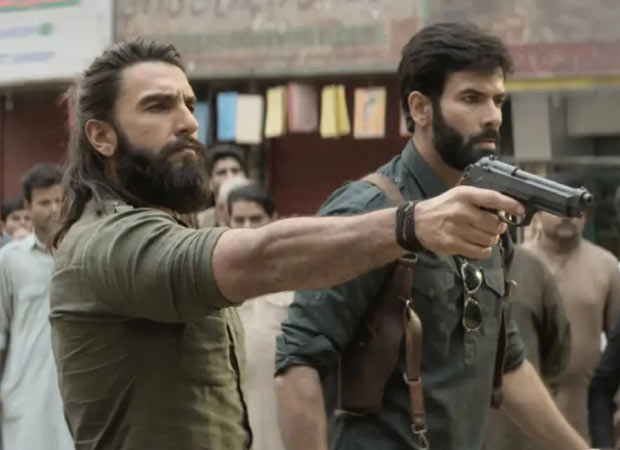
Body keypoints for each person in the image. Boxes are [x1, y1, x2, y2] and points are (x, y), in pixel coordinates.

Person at [50, 37, 527, 450]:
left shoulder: (167, 227)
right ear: (102, 136)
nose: (188, 123)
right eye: (158, 106)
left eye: (189, 105)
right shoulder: (103, 242)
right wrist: (411, 223)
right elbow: (258, 259)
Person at [274, 22, 588, 450]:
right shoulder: (370, 211)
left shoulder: (488, 217)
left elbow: (508, 363)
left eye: (498, 100)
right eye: (471, 98)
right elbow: (298, 363)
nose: (493, 116)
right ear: (421, 108)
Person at [524, 175, 620, 444]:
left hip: (587, 414)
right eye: (556, 206)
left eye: (575, 206)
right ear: (537, 212)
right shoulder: (516, 264)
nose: (566, 215)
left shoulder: (607, 267)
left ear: (586, 216)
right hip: (523, 412)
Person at [0, 163, 72, 450]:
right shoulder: (10, 260)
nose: (53, 209)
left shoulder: (85, 254)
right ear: (28, 207)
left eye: (58, 200)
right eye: (44, 203)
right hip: (25, 393)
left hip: (76, 393)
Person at [485, 245, 571, 450]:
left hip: (518, 429)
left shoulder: (532, 269)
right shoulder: (424, 257)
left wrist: (536, 388)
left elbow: (557, 342)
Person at [229, 183, 291, 450]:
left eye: (256, 219)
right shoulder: (217, 288)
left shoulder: (295, 284)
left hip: (278, 420)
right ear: (227, 221)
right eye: (239, 220)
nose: (247, 227)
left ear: (273, 220)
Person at [196, 143, 246, 227]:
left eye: (235, 171)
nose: (230, 177)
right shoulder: (199, 222)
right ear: (209, 182)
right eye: (222, 172)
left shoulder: (262, 217)